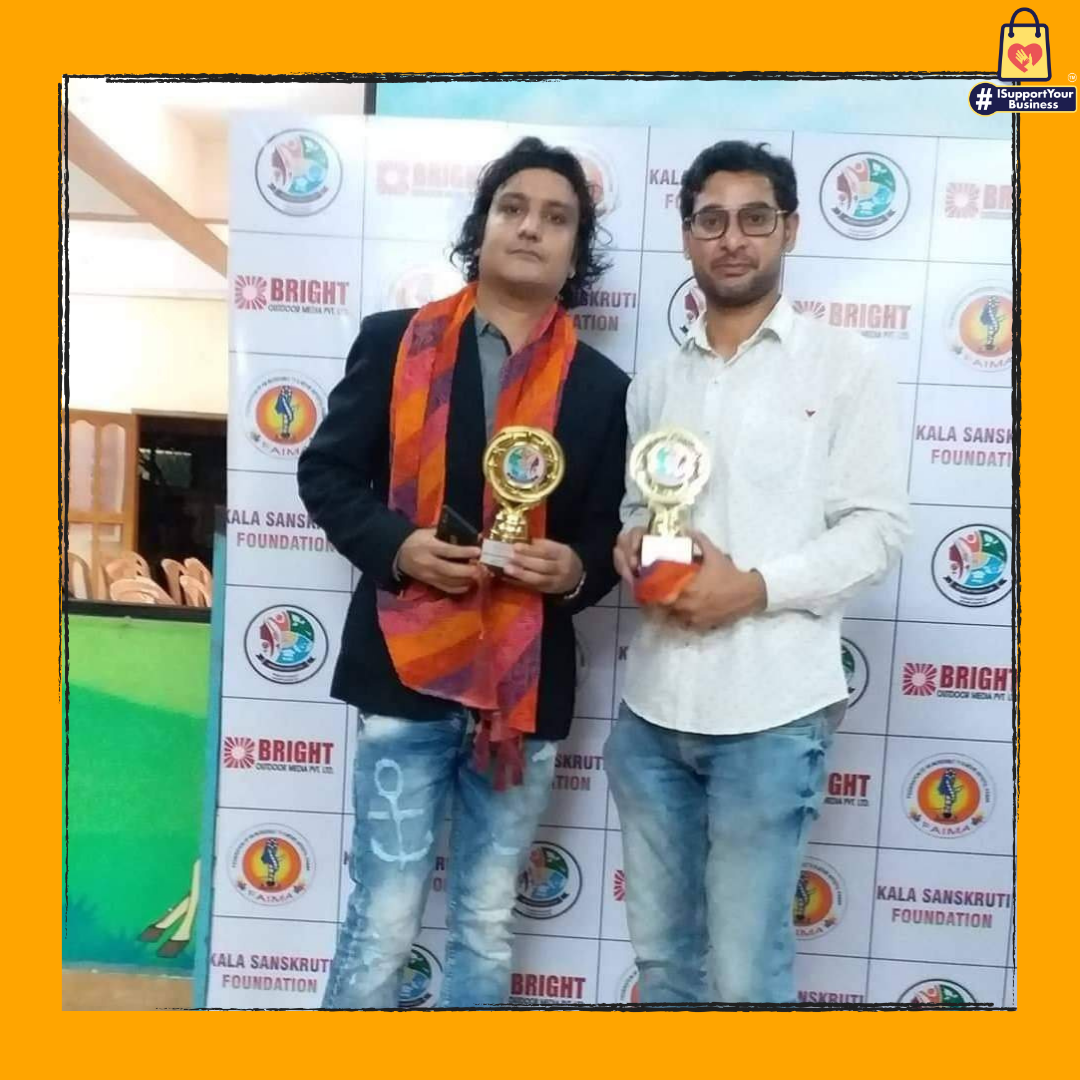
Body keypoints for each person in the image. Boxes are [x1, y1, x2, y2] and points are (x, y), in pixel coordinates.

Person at [298, 137, 629, 1008]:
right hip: (403, 668)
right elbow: (327, 474)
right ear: (481, 227)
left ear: (576, 251)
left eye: (556, 218)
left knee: (485, 920)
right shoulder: (394, 344)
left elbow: (607, 531)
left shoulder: (603, 387)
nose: (531, 228)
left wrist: (574, 570)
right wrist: (397, 546)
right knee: (384, 916)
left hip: (524, 688)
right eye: (513, 208)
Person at [607, 140, 910, 1004]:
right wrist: (631, 544)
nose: (732, 239)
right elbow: (640, 508)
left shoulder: (844, 366)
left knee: (745, 979)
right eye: (711, 221)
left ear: (790, 229)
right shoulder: (656, 382)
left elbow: (880, 530)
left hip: (772, 718)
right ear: (686, 236)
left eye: (754, 219)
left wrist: (754, 587)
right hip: (652, 712)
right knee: (664, 970)